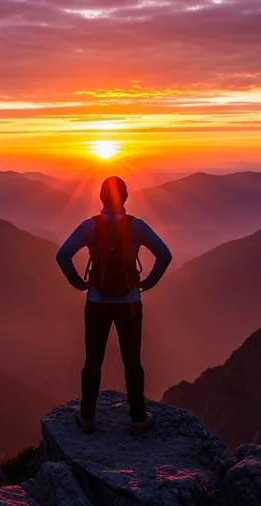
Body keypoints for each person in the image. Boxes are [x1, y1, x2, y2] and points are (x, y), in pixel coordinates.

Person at [55, 175, 173, 435]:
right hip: (130, 302)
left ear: (101, 198)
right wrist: (148, 282)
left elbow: (62, 255)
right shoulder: (137, 227)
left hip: (96, 302)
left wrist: (78, 283)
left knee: (93, 360)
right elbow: (165, 254)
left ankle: (87, 416)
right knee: (132, 361)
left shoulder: (90, 227)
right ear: (126, 198)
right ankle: (138, 418)